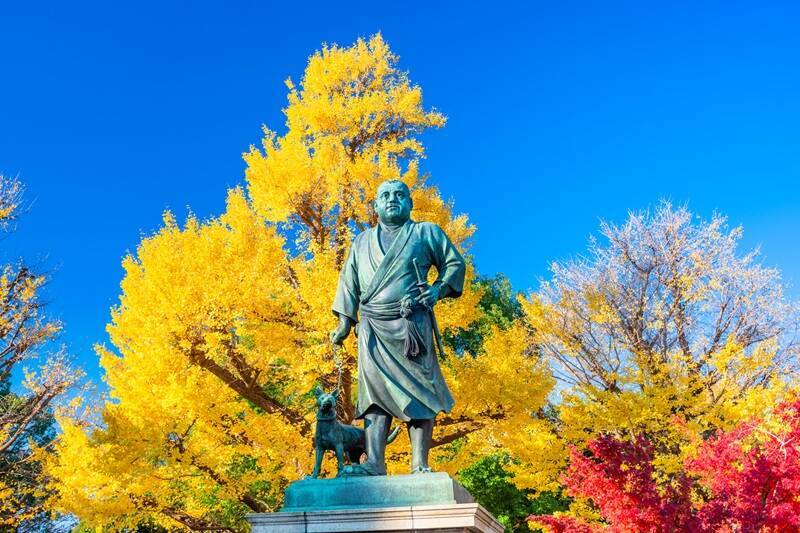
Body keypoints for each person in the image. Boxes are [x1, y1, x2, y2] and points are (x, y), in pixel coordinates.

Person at [330, 179, 466, 475]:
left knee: (420, 392)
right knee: (373, 394)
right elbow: (348, 282)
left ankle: (420, 464)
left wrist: (437, 290)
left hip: (411, 324)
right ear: (376, 206)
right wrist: (344, 321)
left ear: (410, 203)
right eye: (385, 196)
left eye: (399, 195)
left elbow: (455, 264)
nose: (393, 200)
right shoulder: (361, 241)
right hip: (372, 327)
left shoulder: (425, 232)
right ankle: (375, 463)